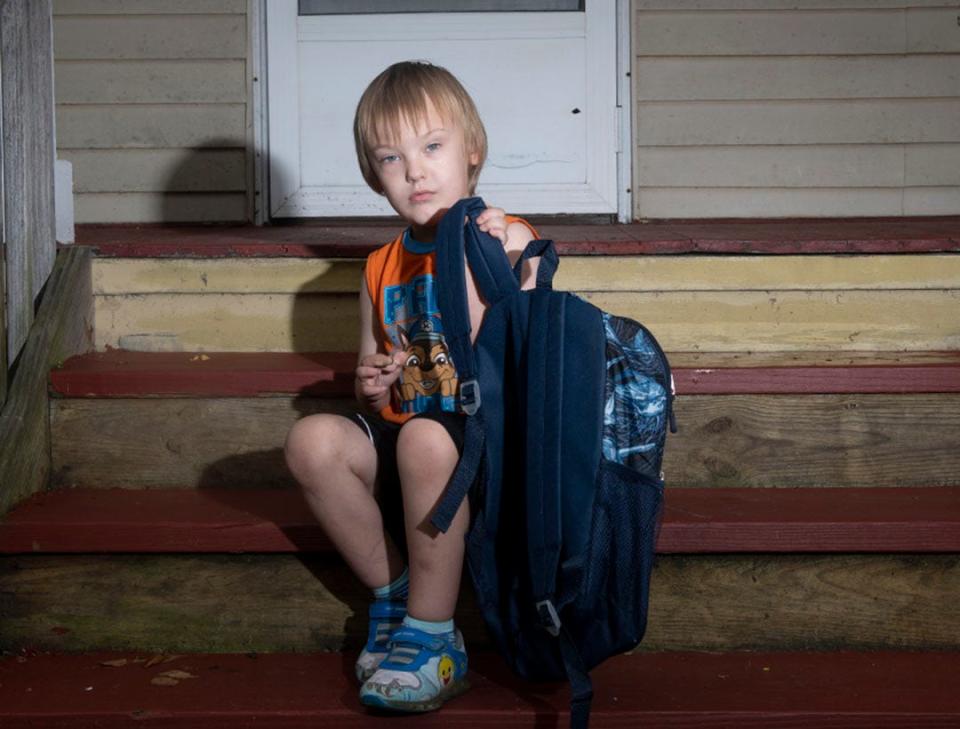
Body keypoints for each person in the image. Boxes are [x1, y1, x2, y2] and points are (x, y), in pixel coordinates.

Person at [284, 60, 539, 713]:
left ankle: (434, 636)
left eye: (432, 147)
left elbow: (529, 348)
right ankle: (395, 594)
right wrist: (372, 381)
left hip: (475, 449)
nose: (415, 171)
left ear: (472, 150)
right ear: (375, 175)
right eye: (392, 158)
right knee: (312, 440)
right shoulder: (380, 265)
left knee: (427, 437)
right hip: (405, 436)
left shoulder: (503, 237)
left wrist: (503, 261)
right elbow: (372, 380)